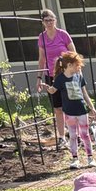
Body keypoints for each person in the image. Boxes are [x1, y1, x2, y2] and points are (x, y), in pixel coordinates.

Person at [47, 51, 96, 169]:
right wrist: (48, 88)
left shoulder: (79, 77)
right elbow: (53, 91)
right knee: (73, 135)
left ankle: (90, 157)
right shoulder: (60, 79)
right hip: (69, 113)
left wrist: (92, 108)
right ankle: (75, 159)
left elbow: (85, 94)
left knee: (85, 134)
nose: (79, 67)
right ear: (69, 65)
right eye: (77, 65)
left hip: (82, 111)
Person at [36, 9, 76, 151]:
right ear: (43, 22)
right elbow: (42, 59)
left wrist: (76, 72)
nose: (49, 22)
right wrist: (39, 78)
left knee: (71, 106)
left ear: (55, 20)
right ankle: (61, 137)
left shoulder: (63, 34)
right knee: (58, 108)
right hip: (51, 77)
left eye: (51, 19)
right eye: (46, 20)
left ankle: (74, 135)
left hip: (66, 75)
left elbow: (73, 54)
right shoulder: (42, 37)